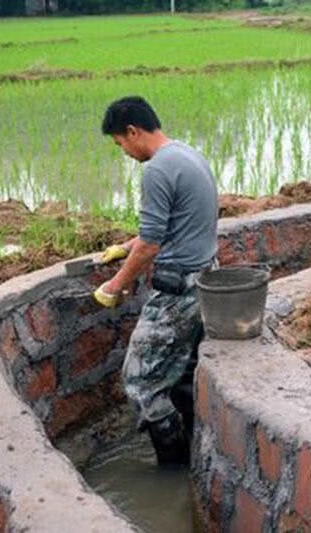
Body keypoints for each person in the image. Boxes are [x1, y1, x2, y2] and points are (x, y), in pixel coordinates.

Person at [93, 96, 218, 466]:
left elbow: (150, 245)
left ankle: (174, 467)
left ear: (133, 132)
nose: (124, 152)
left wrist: (114, 285)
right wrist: (124, 247)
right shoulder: (188, 154)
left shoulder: (157, 170)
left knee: (140, 382)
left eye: (120, 144)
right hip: (205, 280)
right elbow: (172, 225)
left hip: (177, 292)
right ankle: (197, 452)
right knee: (181, 375)